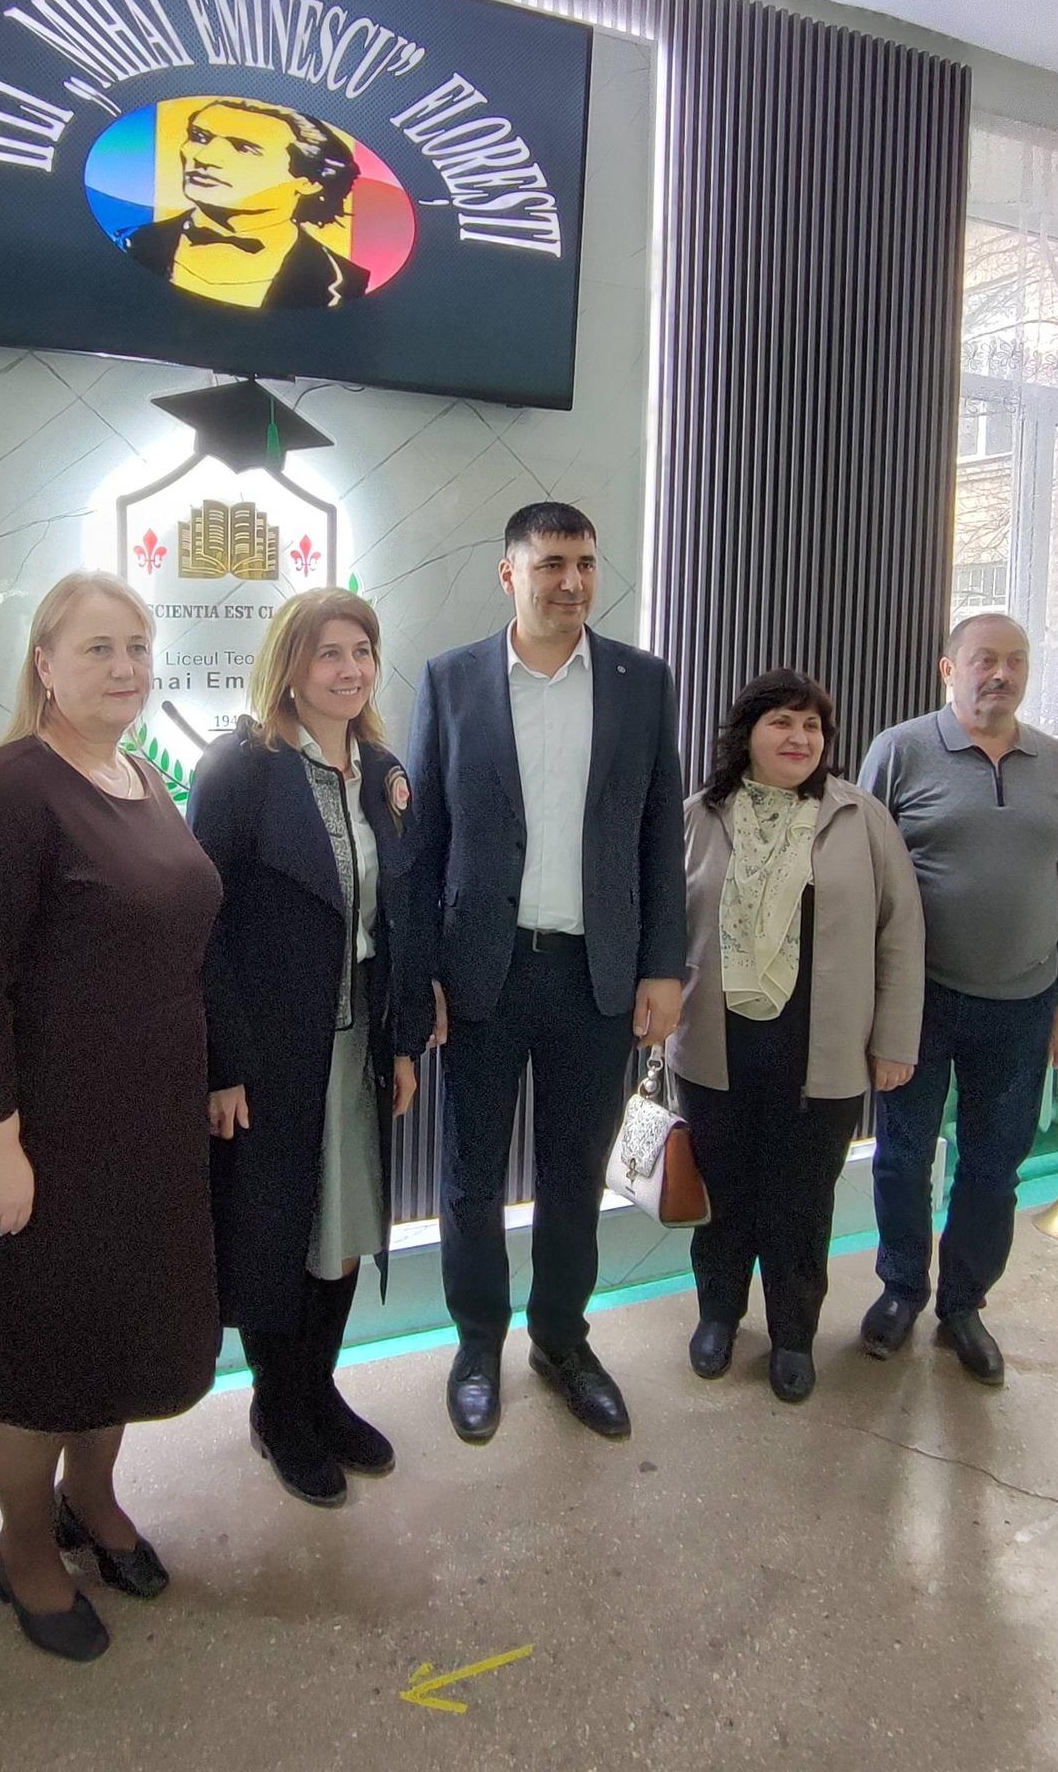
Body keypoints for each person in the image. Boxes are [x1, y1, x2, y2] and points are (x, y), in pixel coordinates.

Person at [0, 572, 222, 1662]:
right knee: (36, 1352)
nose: (125, 667)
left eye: (137, 647)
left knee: (112, 1329)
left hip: (143, 1130)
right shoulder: (10, 794)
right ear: (44, 663)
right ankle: (26, 1548)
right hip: (41, 1139)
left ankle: (93, 1498)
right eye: (97, 648)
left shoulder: (139, 775)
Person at [408, 503, 687, 1444]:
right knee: (470, 1174)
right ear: (509, 575)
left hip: (595, 976)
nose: (572, 582)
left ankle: (562, 1341)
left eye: (586, 564)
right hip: (481, 973)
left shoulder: (642, 683)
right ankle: (477, 1344)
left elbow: (660, 835)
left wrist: (663, 967)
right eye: (551, 564)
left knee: (576, 1173)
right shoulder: (452, 681)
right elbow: (425, 841)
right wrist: (424, 973)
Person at [185, 589, 433, 1507]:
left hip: (358, 1039)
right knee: (275, 1232)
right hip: (270, 1050)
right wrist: (222, 1065)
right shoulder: (240, 769)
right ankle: (278, 1407)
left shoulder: (383, 771)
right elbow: (202, 927)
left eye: (361, 650)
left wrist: (404, 1043)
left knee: (348, 1224)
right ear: (289, 666)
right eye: (328, 652)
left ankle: (319, 1389)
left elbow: (401, 914)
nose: (349, 669)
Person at [667, 670, 926, 1403]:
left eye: (812, 726)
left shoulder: (860, 817)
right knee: (723, 1200)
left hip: (823, 1052)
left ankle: (792, 1336)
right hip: (715, 1046)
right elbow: (662, 926)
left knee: (803, 1204)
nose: (799, 737)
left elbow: (902, 933)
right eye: (782, 721)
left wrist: (896, 1040)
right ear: (747, 733)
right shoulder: (698, 816)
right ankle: (719, 1316)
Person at [858, 613, 1058, 1384]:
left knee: (995, 1166)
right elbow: (861, 878)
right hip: (917, 1001)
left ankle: (964, 1305)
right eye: (985, 659)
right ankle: (901, 1288)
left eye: (1016, 661)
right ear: (947, 669)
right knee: (902, 1157)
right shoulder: (900, 751)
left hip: (1024, 1005)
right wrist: (868, 1000)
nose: (1002, 674)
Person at [122, 99, 369, 310]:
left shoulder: (344, 280)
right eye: (200, 137)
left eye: (243, 148)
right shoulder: (130, 243)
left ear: (308, 181)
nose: (203, 157)